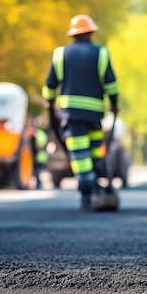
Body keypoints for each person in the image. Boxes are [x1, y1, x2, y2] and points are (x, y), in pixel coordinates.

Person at [42, 14, 119, 211]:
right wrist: (114, 104)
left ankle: (87, 193)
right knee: (94, 153)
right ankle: (95, 187)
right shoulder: (101, 53)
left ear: (72, 35)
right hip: (94, 115)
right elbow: (111, 84)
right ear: (92, 32)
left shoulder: (60, 54)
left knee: (80, 155)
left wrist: (49, 104)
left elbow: (49, 86)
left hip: (71, 115)